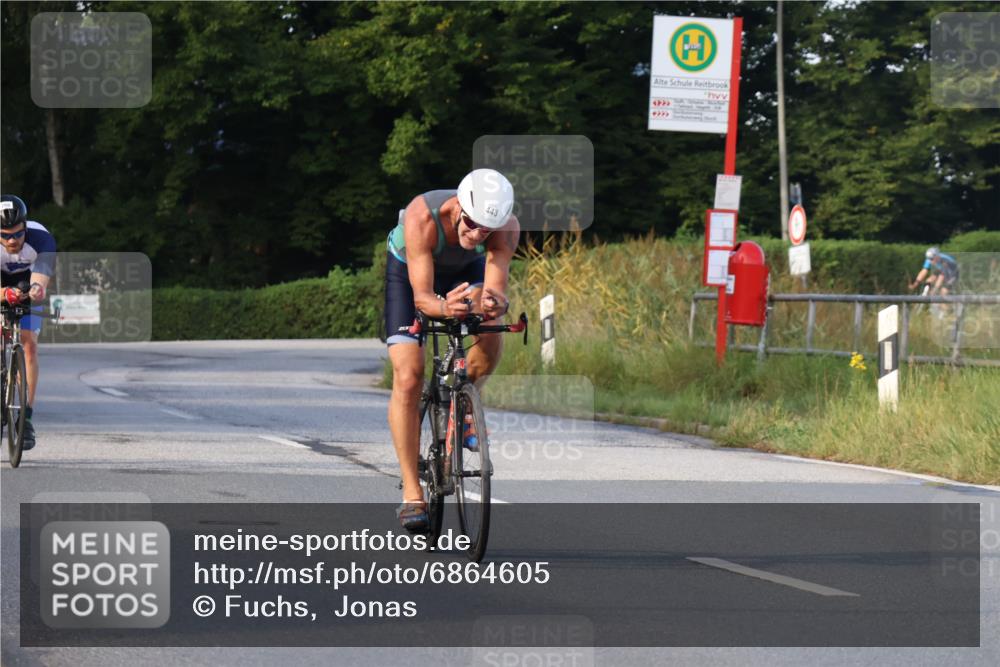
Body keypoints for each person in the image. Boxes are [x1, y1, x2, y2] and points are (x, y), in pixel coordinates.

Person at [384, 169, 519, 532]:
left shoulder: (505, 228)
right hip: (411, 273)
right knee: (409, 376)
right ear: (459, 206)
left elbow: (494, 285)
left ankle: (463, 406)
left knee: (490, 330)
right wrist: (445, 309)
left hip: (464, 271)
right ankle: (413, 493)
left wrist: (494, 303)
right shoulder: (422, 216)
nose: (475, 235)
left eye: (485, 231)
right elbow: (424, 298)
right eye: (471, 223)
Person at [1, 195, 57, 451]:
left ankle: (26, 417)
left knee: (30, 345)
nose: (12, 240)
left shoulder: (41, 237)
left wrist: (36, 289)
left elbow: (40, 279)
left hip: (27, 284)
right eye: (5, 235)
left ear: (25, 227)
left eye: (17, 234)